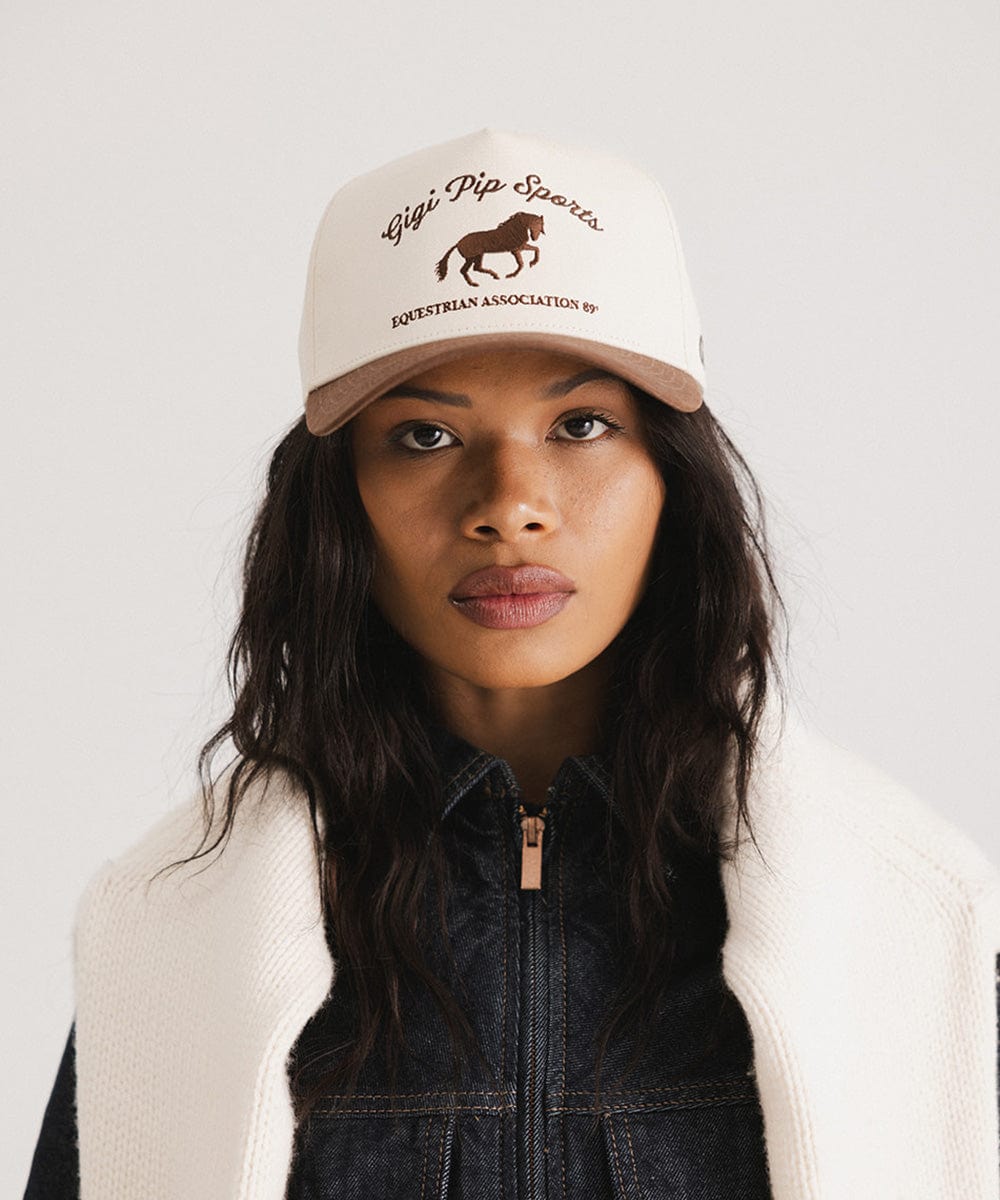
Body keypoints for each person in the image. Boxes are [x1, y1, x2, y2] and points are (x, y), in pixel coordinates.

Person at [24, 128, 1000, 1199]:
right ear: (338, 500)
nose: (508, 506)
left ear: (673, 479)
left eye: (581, 423)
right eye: (424, 438)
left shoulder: (908, 923)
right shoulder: (176, 943)